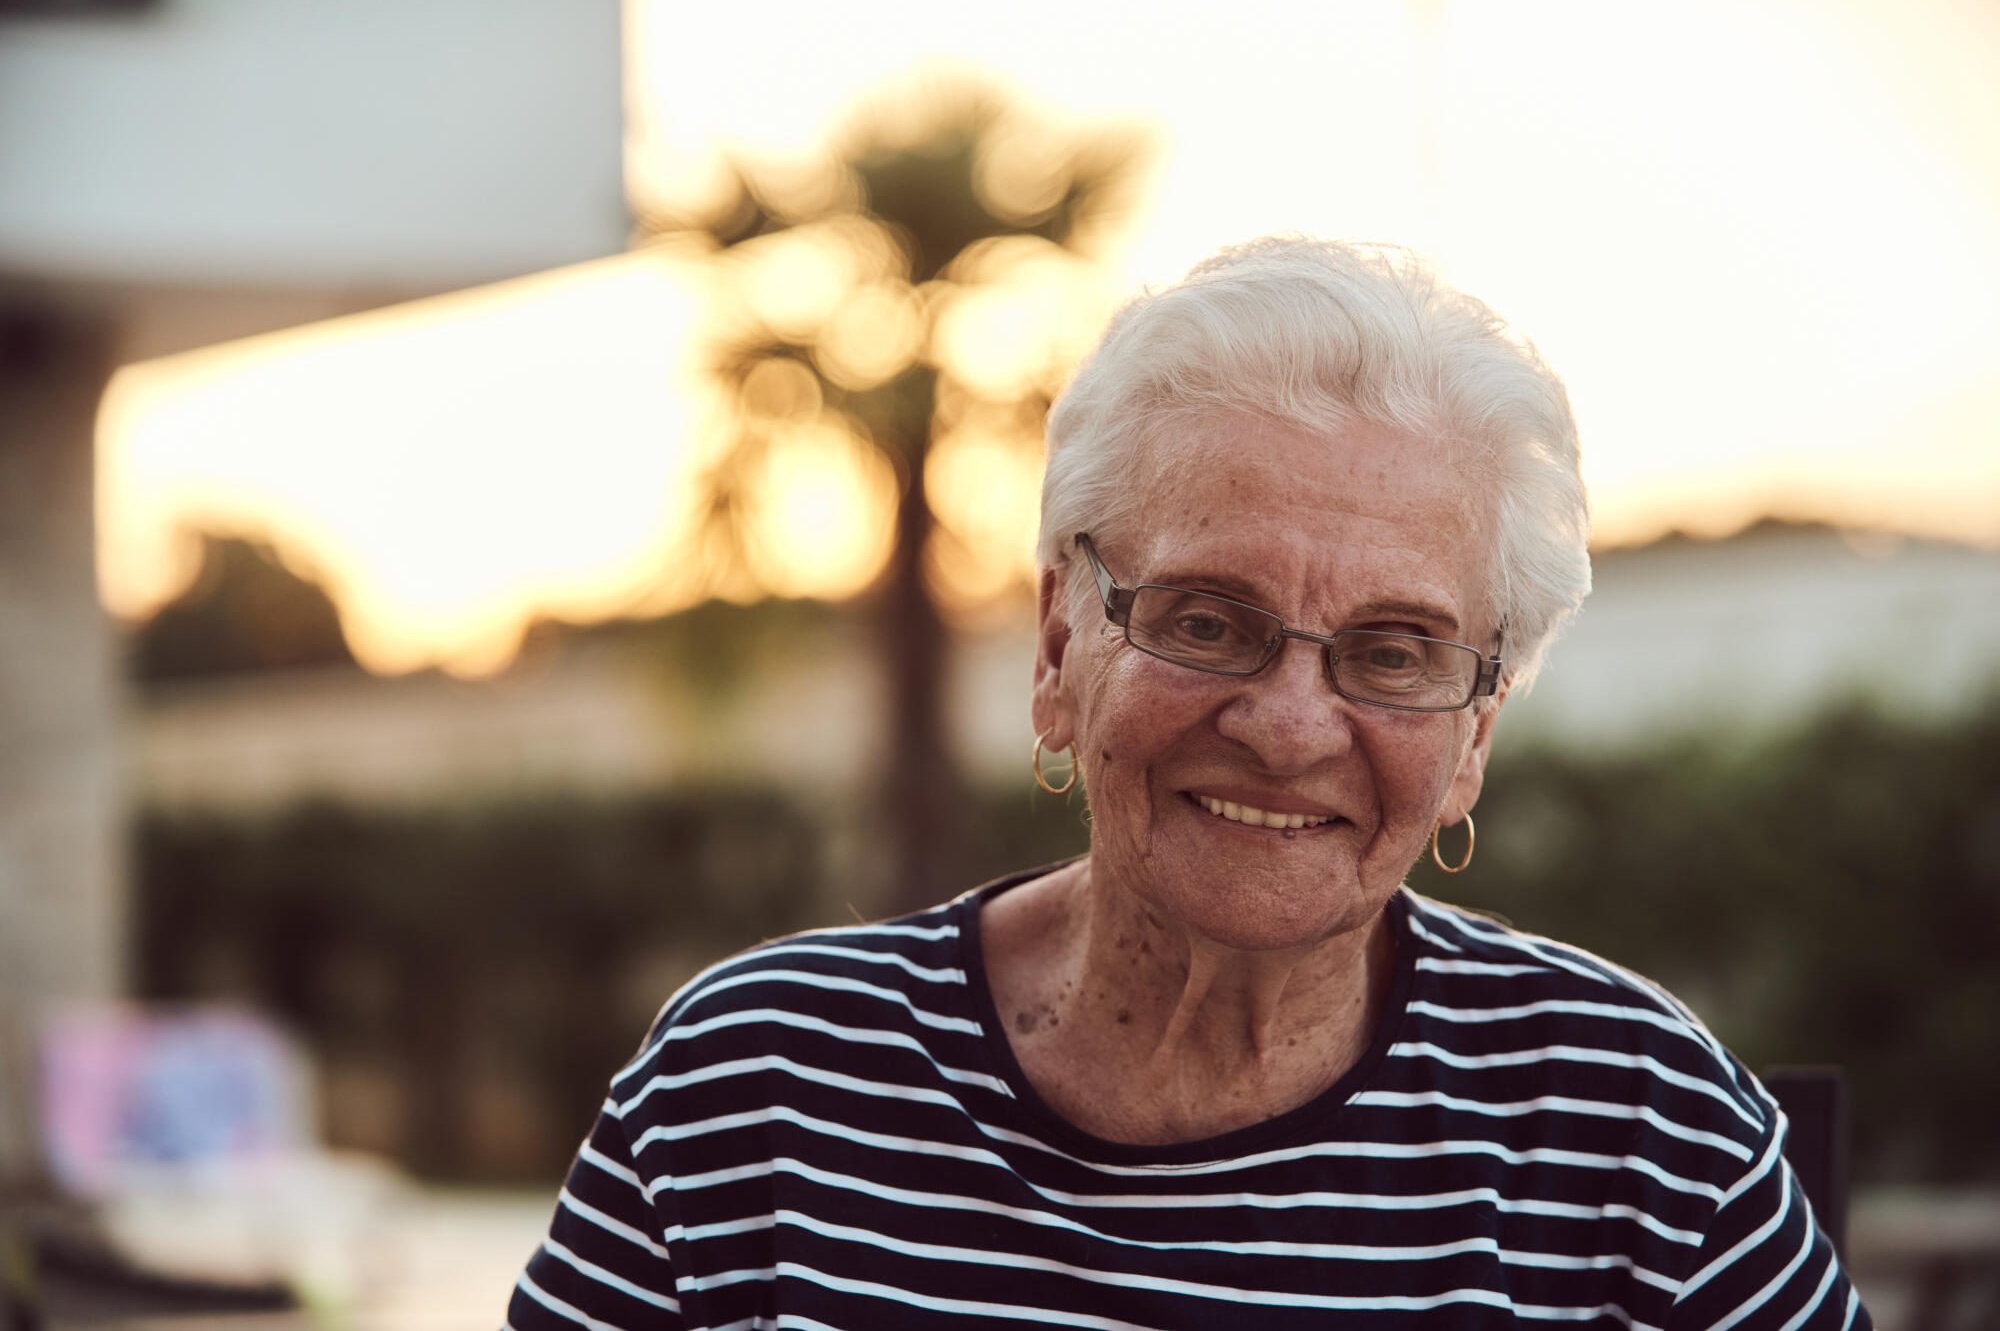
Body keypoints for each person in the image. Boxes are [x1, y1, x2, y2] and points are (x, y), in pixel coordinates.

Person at [506, 237, 1869, 1329]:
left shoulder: (1640, 1135)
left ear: (1475, 737)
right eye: (1208, 620)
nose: (1290, 727)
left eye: (1395, 652)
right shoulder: (749, 1093)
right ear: (1060, 645)